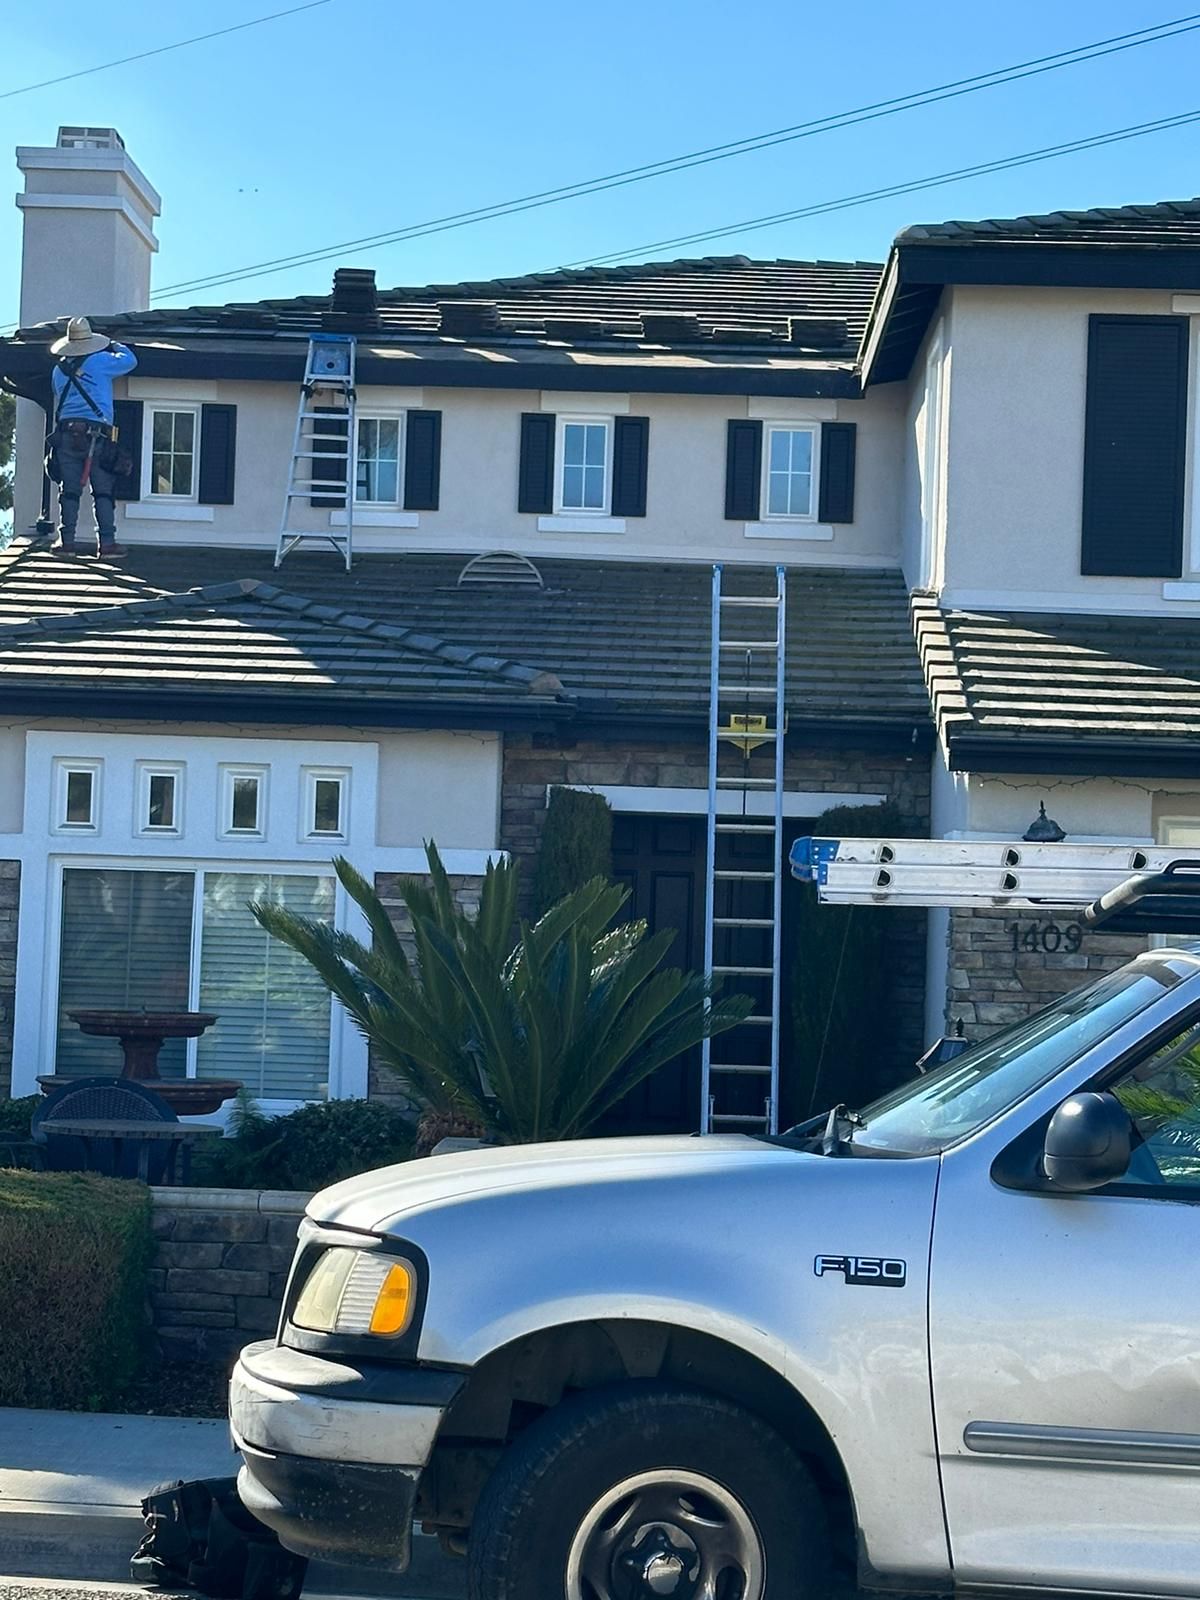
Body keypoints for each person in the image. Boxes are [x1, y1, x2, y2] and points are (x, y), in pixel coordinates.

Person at [48, 316, 137, 560]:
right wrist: (115, 345)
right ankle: (107, 544)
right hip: (96, 435)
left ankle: (66, 543)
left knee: (69, 491)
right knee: (103, 491)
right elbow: (130, 361)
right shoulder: (100, 361)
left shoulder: (58, 370)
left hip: (66, 434)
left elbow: (58, 394)